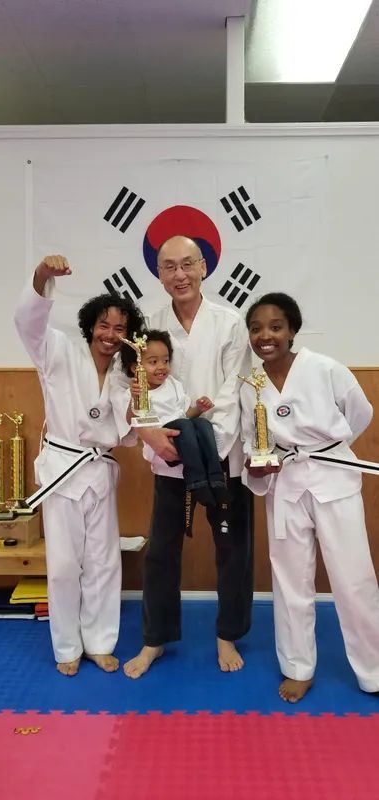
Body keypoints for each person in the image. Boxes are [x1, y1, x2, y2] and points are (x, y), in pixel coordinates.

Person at [120, 235, 253, 678]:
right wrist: (153, 437)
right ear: (158, 274)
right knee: (161, 552)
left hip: (220, 457)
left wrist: (204, 449)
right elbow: (136, 391)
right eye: (169, 267)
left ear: (204, 268)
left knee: (232, 548)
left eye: (187, 265)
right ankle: (155, 640)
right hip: (167, 455)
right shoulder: (149, 326)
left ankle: (227, 633)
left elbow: (235, 390)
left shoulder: (229, 321)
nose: (180, 275)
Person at [241, 291, 379, 702]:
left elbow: (360, 413)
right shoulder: (251, 384)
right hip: (284, 484)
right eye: (256, 328)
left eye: (276, 327)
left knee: (353, 579)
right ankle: (298, 667)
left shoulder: (325, 368)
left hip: (332, 478)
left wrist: (328, 450)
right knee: (290, 580)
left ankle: (373, 668)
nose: (266, 336)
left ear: (293, 330)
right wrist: (257, 461)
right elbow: (252, 438)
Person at [14, 254, 145, 677]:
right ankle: (67, 645)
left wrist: (140, 407)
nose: (110, 334)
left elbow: (127, 433)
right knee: (66, 563)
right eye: (104, 325)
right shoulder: (58, 351)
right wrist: (41, 277)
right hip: (63, 470)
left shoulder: (127, 376)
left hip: (99, 470)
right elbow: (27, 323)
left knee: (105, 561)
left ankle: (100, 641)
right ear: (91, 325)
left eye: (120, 329)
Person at [120, 328, 230, 508]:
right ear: (135, 367)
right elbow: (130, 419)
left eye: (165, 360)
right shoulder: (134, 392)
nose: (162, 366)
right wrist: (135, 397)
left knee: (202, 423)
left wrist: (199, 409)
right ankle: (197, 482)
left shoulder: (173, 384)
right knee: (184, 425)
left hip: (185, 440)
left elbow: (185, 414)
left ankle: (216, 478)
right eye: (153, 362)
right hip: (162, 448)